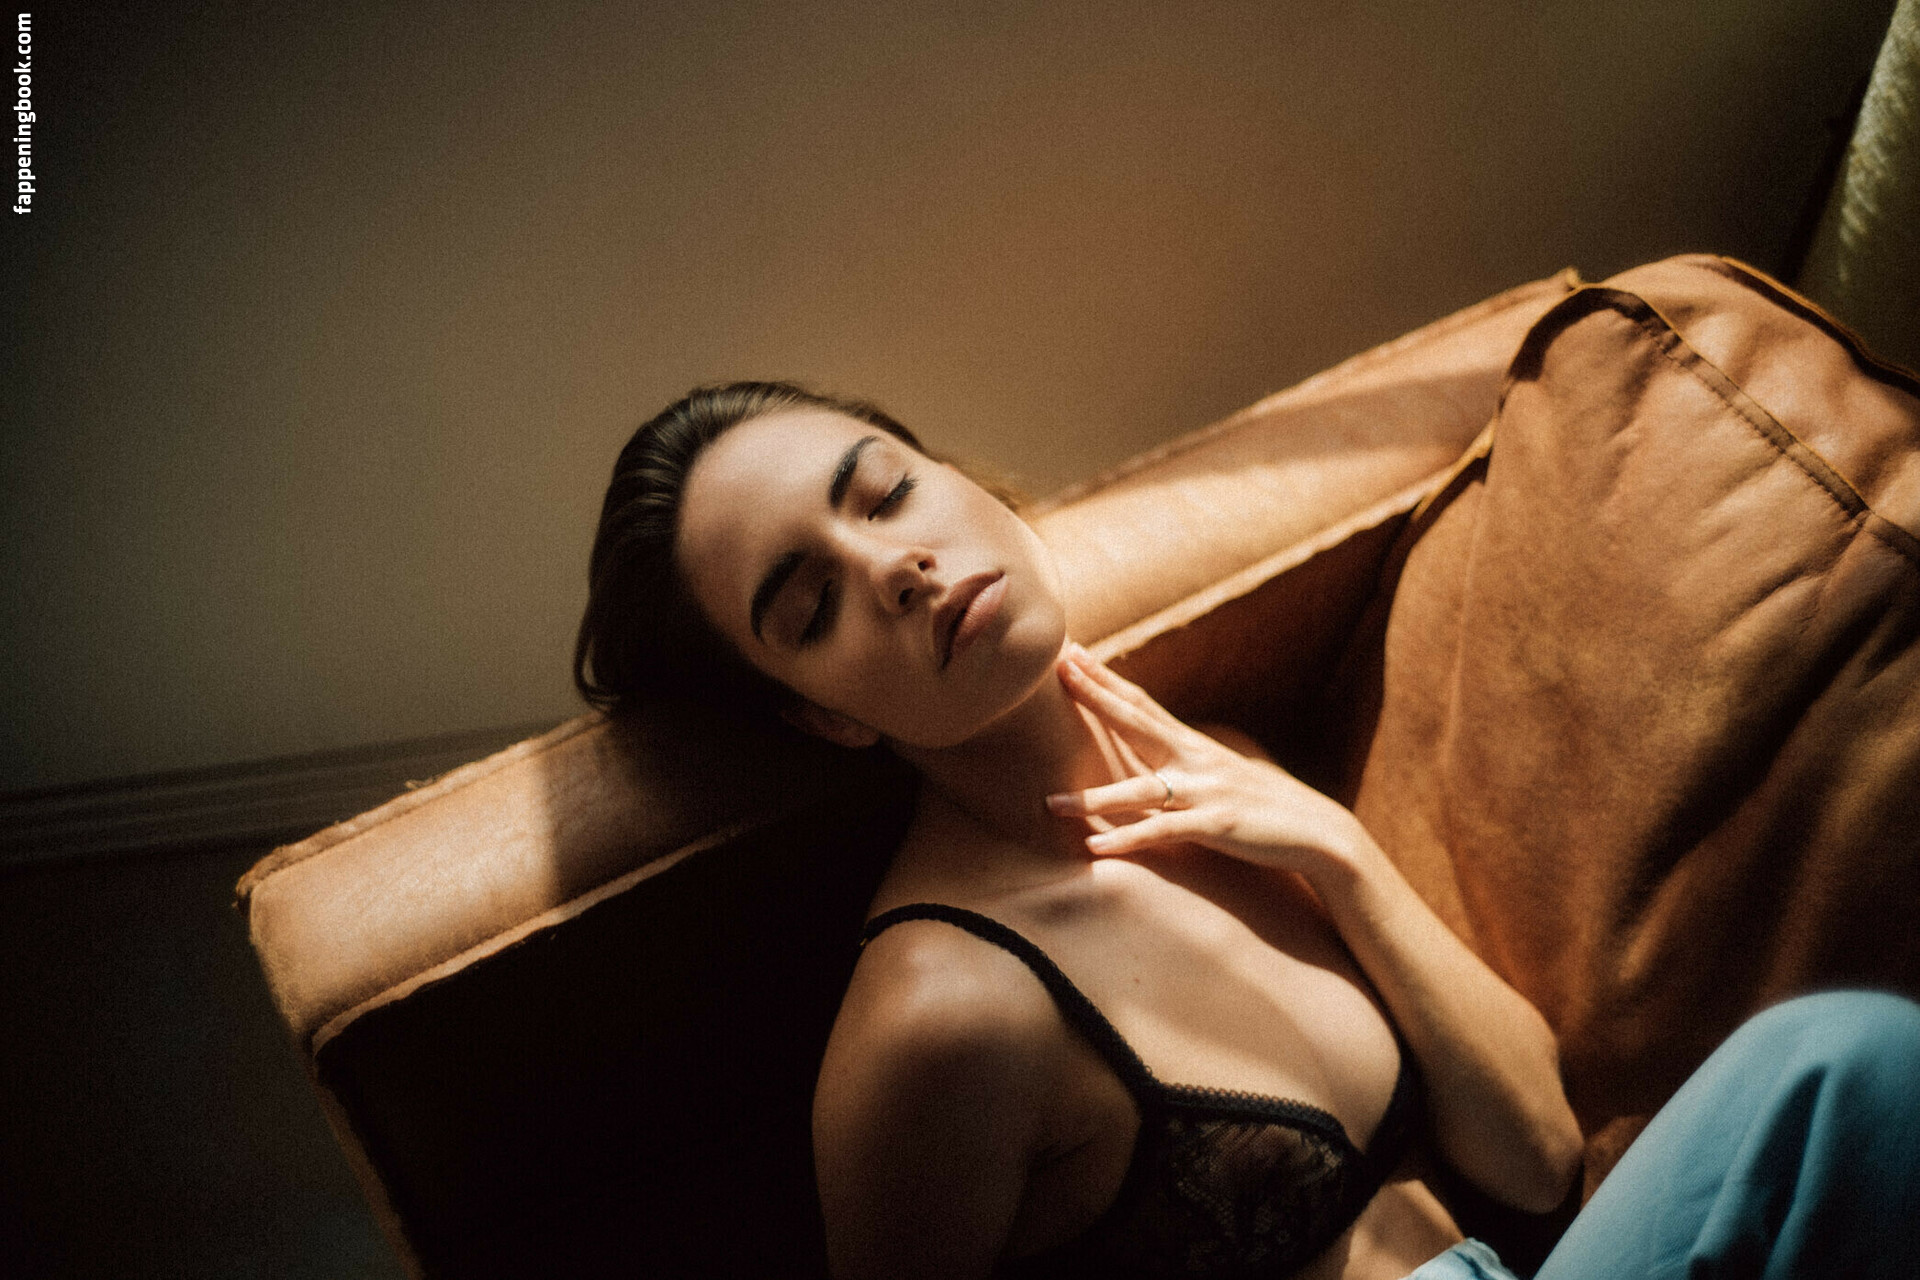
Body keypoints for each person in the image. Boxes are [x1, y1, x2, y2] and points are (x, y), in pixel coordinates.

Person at [575, 381, 1920, 1280]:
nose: (896, 567)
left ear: (961, 484)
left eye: (883, 493)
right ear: (822, 718)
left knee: (1846, 1072)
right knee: (1835, 1066)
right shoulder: (941, 1015)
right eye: (809, 607)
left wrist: (1342, 855)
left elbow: (1537, 1155)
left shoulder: (1229, 773)